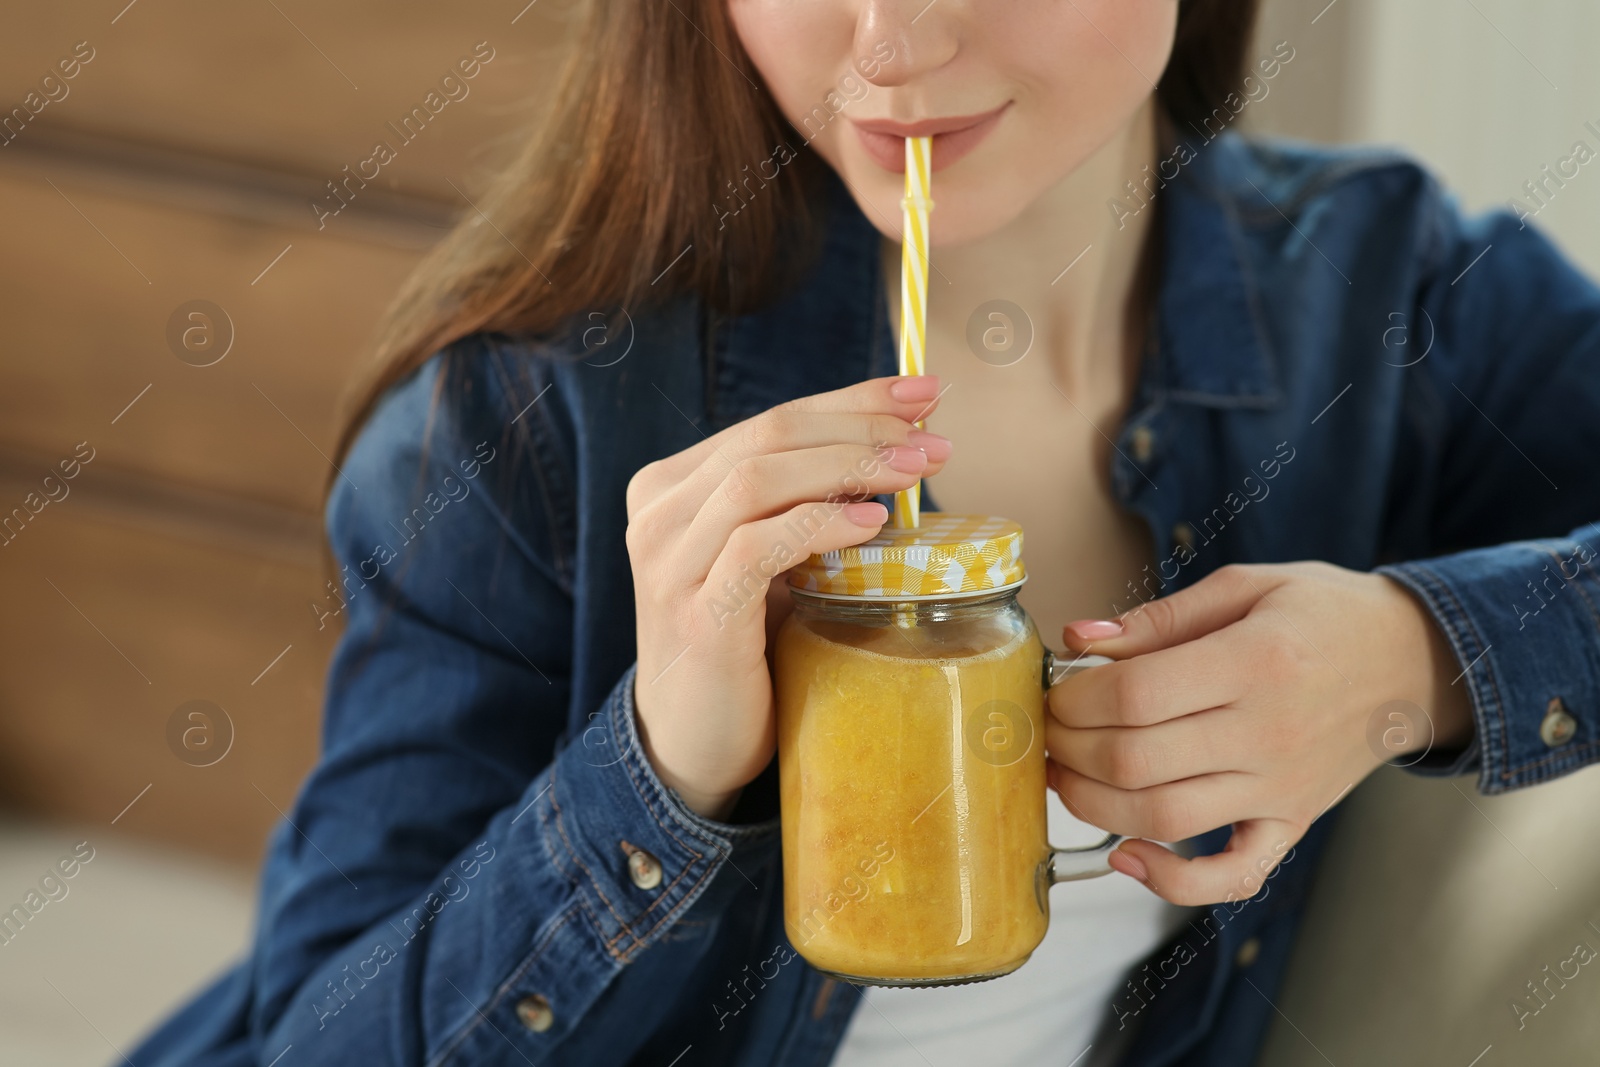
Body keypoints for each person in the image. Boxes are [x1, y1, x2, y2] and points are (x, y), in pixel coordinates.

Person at [129, 1, 1600, 1064]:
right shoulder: (527, 423)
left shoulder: (1382, 295)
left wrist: (1412, 664)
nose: (887, 46)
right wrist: (657, 770)